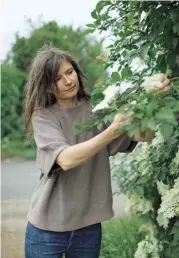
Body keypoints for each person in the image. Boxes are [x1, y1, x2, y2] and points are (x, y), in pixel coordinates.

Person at [24, 46, 170, 258]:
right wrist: (111, 131)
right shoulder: (44, 117)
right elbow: (65, 159)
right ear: (47, 87)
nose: (68, 81)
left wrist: (153, 101)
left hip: (88, 227)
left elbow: (143, 136)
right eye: (57, 78)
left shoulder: (98, 108)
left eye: (69, 72)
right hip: (47, 229)